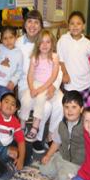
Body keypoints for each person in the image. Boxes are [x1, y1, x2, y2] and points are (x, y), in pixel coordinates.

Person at [16, 10, 63, 153]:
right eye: (29, 21)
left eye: (36, 22)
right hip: (27, 85)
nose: (32, 25)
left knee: (60, 102)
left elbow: (57, 70)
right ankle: (37, 137)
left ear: (41, 26)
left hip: (48, 82)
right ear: (24, 24)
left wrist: (53, 87)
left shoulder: (48, 42)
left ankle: (51, 136)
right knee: (46, 107)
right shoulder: (18, 43)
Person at [19, 30, 59, 142]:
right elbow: (30, 75)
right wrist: (32, 88)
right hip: (35, 83)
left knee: (40, 100)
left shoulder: (54, 57)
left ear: (52, 44)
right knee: (26, 99)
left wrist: (40, 89)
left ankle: (35, 126)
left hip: (47, 85)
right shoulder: (34, 57)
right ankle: (22, 124)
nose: (45, 45)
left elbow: (53, 77)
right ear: (38, 44)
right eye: (42, 42)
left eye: (48, 42)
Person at [39, 90, 85, 180]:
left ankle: (71, 174)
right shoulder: (62, 124)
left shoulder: (85, 126)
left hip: (77, 162)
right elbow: (56, 142)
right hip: (62, 156)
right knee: (44, 169)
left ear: (81, 109)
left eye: (74, 107)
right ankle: (62, 169)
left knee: (63, 179)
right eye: (66, 107)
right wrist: (48, 155)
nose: (70, 110)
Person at [57, 10, 90, 102]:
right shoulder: (63, 40)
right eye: (72, 23)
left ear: (83, 26)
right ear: (68, 25)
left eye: (78, 23)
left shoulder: (88, 43)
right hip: (70, 84)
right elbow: (60, 60)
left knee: (85, 110)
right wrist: (65, 74)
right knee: (70, 108)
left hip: (86, 84)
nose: (75, 26)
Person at [0, 92, 31, 170]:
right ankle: (7, 161)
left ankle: (14, 160)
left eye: (13, 104)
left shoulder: (15, 121)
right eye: (6, 102)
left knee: (27, 147)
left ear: (15, 109)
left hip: (9, 144)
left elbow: (21, 141)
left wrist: (21, 159)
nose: (9, 105)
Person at [0, 26, 23, 98]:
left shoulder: (19, 53)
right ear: (1, 39)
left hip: (8, 85)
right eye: (5, 38)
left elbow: (19, 71)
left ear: (16, 37)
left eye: (11, 37)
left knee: (6, 105)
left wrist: (13, 81)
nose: (8, 41)